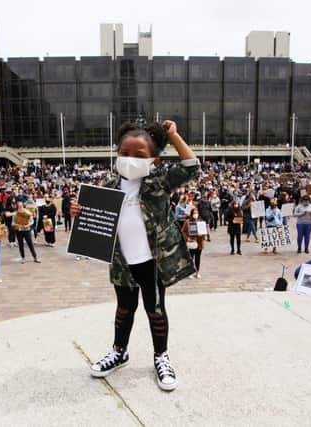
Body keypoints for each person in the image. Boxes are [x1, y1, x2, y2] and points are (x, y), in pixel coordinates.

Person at [72, 119, 199, 391]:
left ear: (153, 160)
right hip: (122, 262)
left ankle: (161, 356)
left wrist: (174, 136)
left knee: (155, 309)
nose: (130, 159)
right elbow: (96, 219)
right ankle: (119, 351)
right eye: (124, 153)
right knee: (124, 308)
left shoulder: (158, 182)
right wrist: (78, 213)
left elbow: (191, 167)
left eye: (139, 155)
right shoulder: (108, 183)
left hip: (153, 262)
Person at [181, 208, 206, 278]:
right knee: (191, 258)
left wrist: (202, 234)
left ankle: (197, 272)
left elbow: (204, 231)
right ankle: (190, 272)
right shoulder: (187, 222)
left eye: (197, 213)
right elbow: (183, 231)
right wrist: (187, 238)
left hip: (199, 242)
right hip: (192, 242)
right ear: (192, 214)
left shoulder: (201, 221)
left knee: (198, 258)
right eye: (194, 213)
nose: (196, 214)